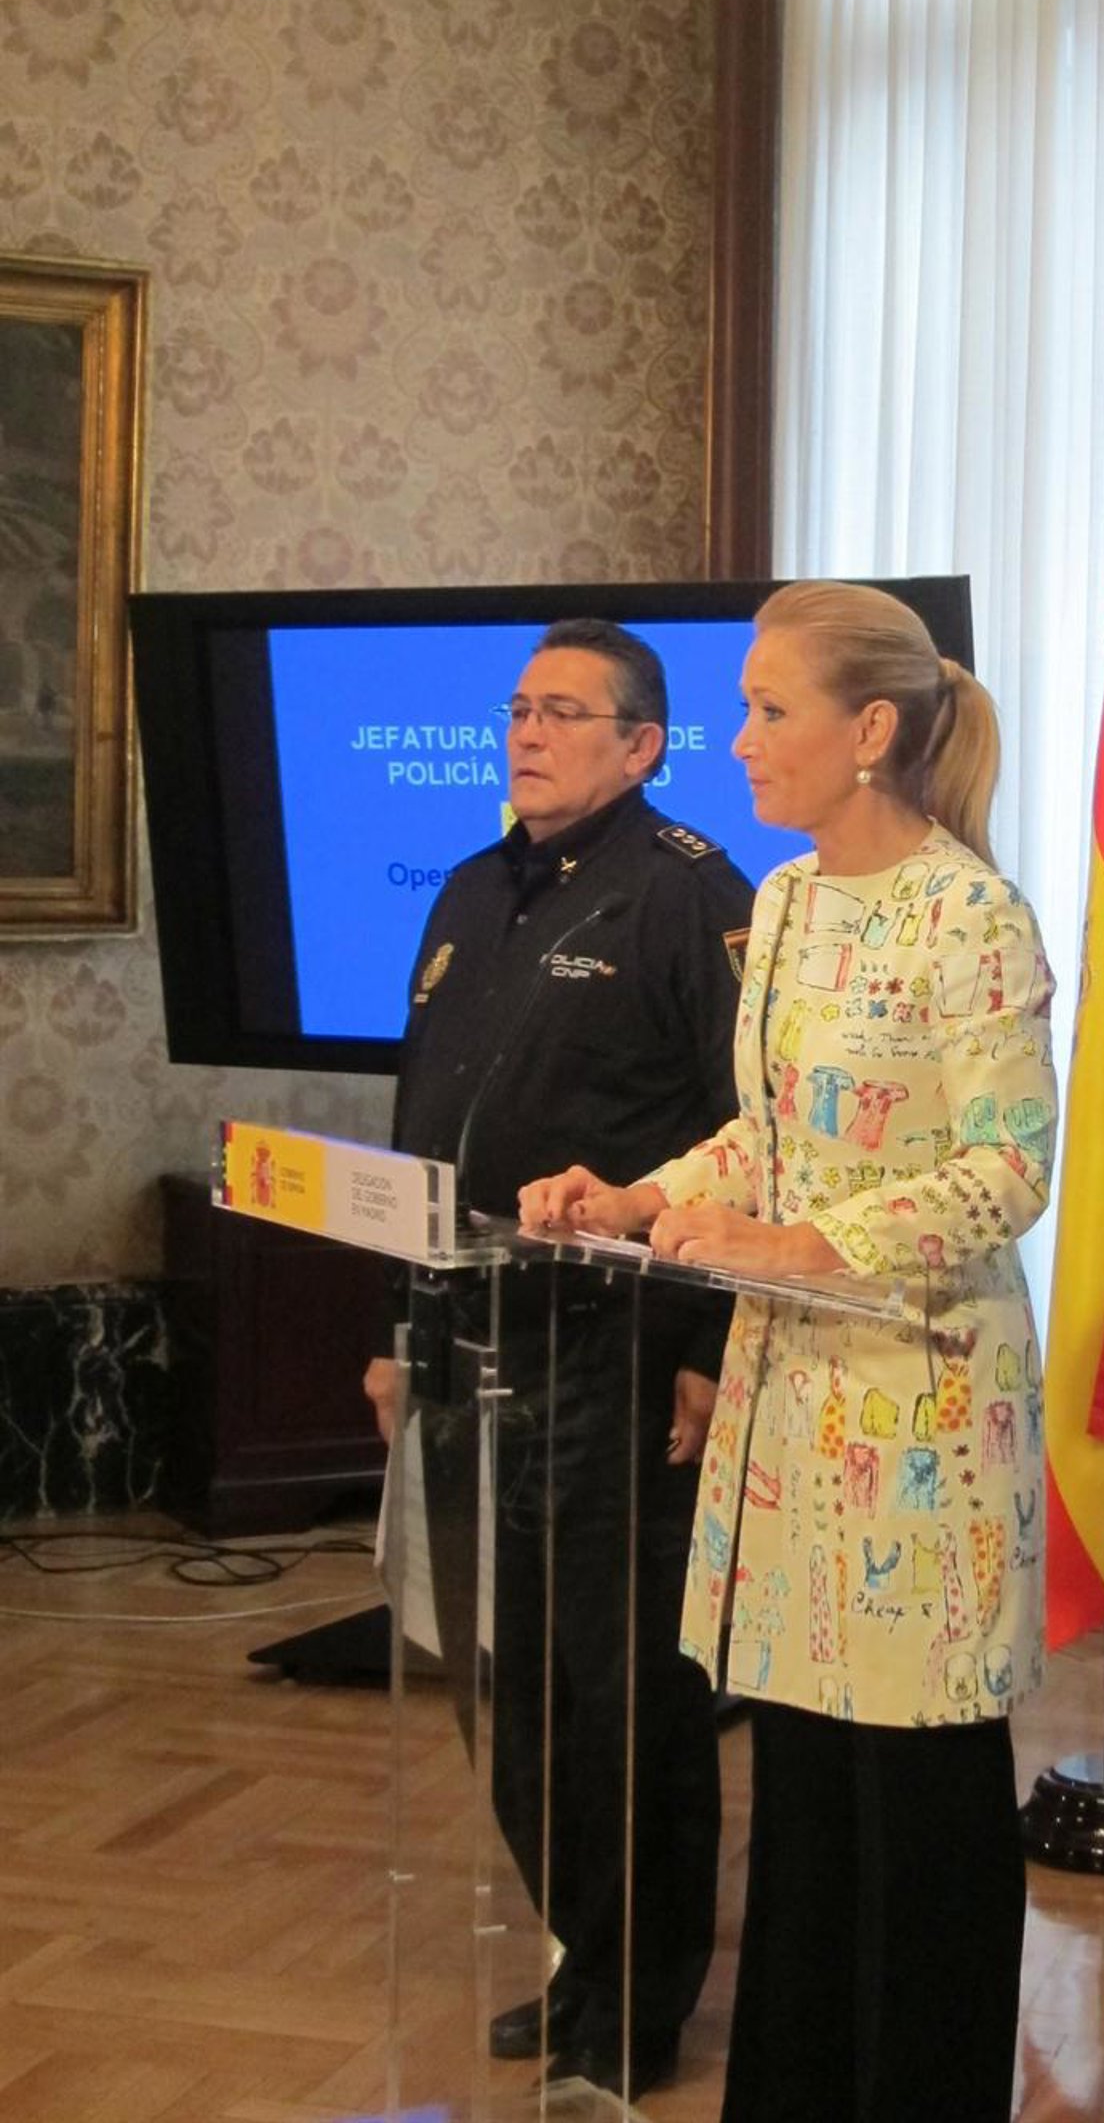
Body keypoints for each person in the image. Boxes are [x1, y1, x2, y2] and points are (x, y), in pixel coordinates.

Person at [521, 582, 1056, 2123]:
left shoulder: (972, 916)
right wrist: (637, 1198)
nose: (742, 739)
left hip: (921, 1419)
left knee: (921, 1821)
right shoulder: (792, 904)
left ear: (870, 729)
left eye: (770, 710)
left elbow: (1011, 1170)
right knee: (810, 1815)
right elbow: (771, 1136)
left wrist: (802, 1250)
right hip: (790, 1421)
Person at [363, 618, 755, 2100]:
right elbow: (422, 1126)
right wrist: (394, 1331)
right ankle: (582, 1955)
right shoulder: (473, 888)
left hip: (616, 1353)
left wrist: (707, 1347)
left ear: (643, 746)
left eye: (565, 712)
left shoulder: (692, 894)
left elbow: (748, 1136)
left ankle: (640, 2003)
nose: (528, 732)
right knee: (508, 1688)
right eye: (519, 709)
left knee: (622, 1695)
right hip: (469, 1348)